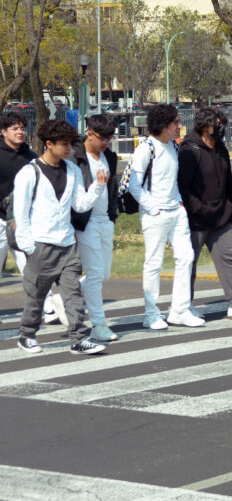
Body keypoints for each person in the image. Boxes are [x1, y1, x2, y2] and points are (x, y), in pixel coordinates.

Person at [13, 119, 107, 355]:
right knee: (36, 294)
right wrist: (28, 247)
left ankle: (78, 338)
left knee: (72, 293)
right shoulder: (29, 172)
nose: (68, 149)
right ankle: (27, 334)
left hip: (67, 244)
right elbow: (20, 213)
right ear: (48, 144)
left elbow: (80, 204)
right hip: (40, 244)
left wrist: (97, 187)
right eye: (64, 144)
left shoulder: (72, 170)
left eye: (70, 144)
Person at [178, 107, 232, 320]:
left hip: (221, 216)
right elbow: (183, 188)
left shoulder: (220, 147)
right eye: (218, 125)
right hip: (196, 219)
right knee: (189, 264)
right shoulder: (189, 149)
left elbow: (227, 179)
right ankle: (184, 306)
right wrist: (198, 208)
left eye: (223, 124)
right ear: (205, 126)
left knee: (228, 259)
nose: (221, 129)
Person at [129, 104, 202, 330]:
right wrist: (154, 208)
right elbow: (134, 185)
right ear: (163, 125)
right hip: (155, 214)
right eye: (176, 123)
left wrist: (179, 203)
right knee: (154, 264)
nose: (180, 126)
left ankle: (180, 309)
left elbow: (172, 180)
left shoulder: (172, 145)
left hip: (176, 211)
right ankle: (151, 314)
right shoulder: (146, 148)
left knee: (187, 257)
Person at [70, 114, 120, 342]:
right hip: (84, 221)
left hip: (105, 219)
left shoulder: (109, 156)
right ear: (88, 132)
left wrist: (112, 214)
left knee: (104, 275)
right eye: (102, 138)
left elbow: (112, 186)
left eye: (110, 137)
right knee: (95, 274)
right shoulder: (75, 156)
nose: (106, 142)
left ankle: (65, 296)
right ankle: (98, 325)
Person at [0, 113, 35, 278]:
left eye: (22, 128)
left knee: (32, 271)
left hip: (23, 222)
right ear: (4, 132)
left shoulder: (31, 157)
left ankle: (46, 303)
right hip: (1, 220)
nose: (20, 132)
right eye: (15, 128)